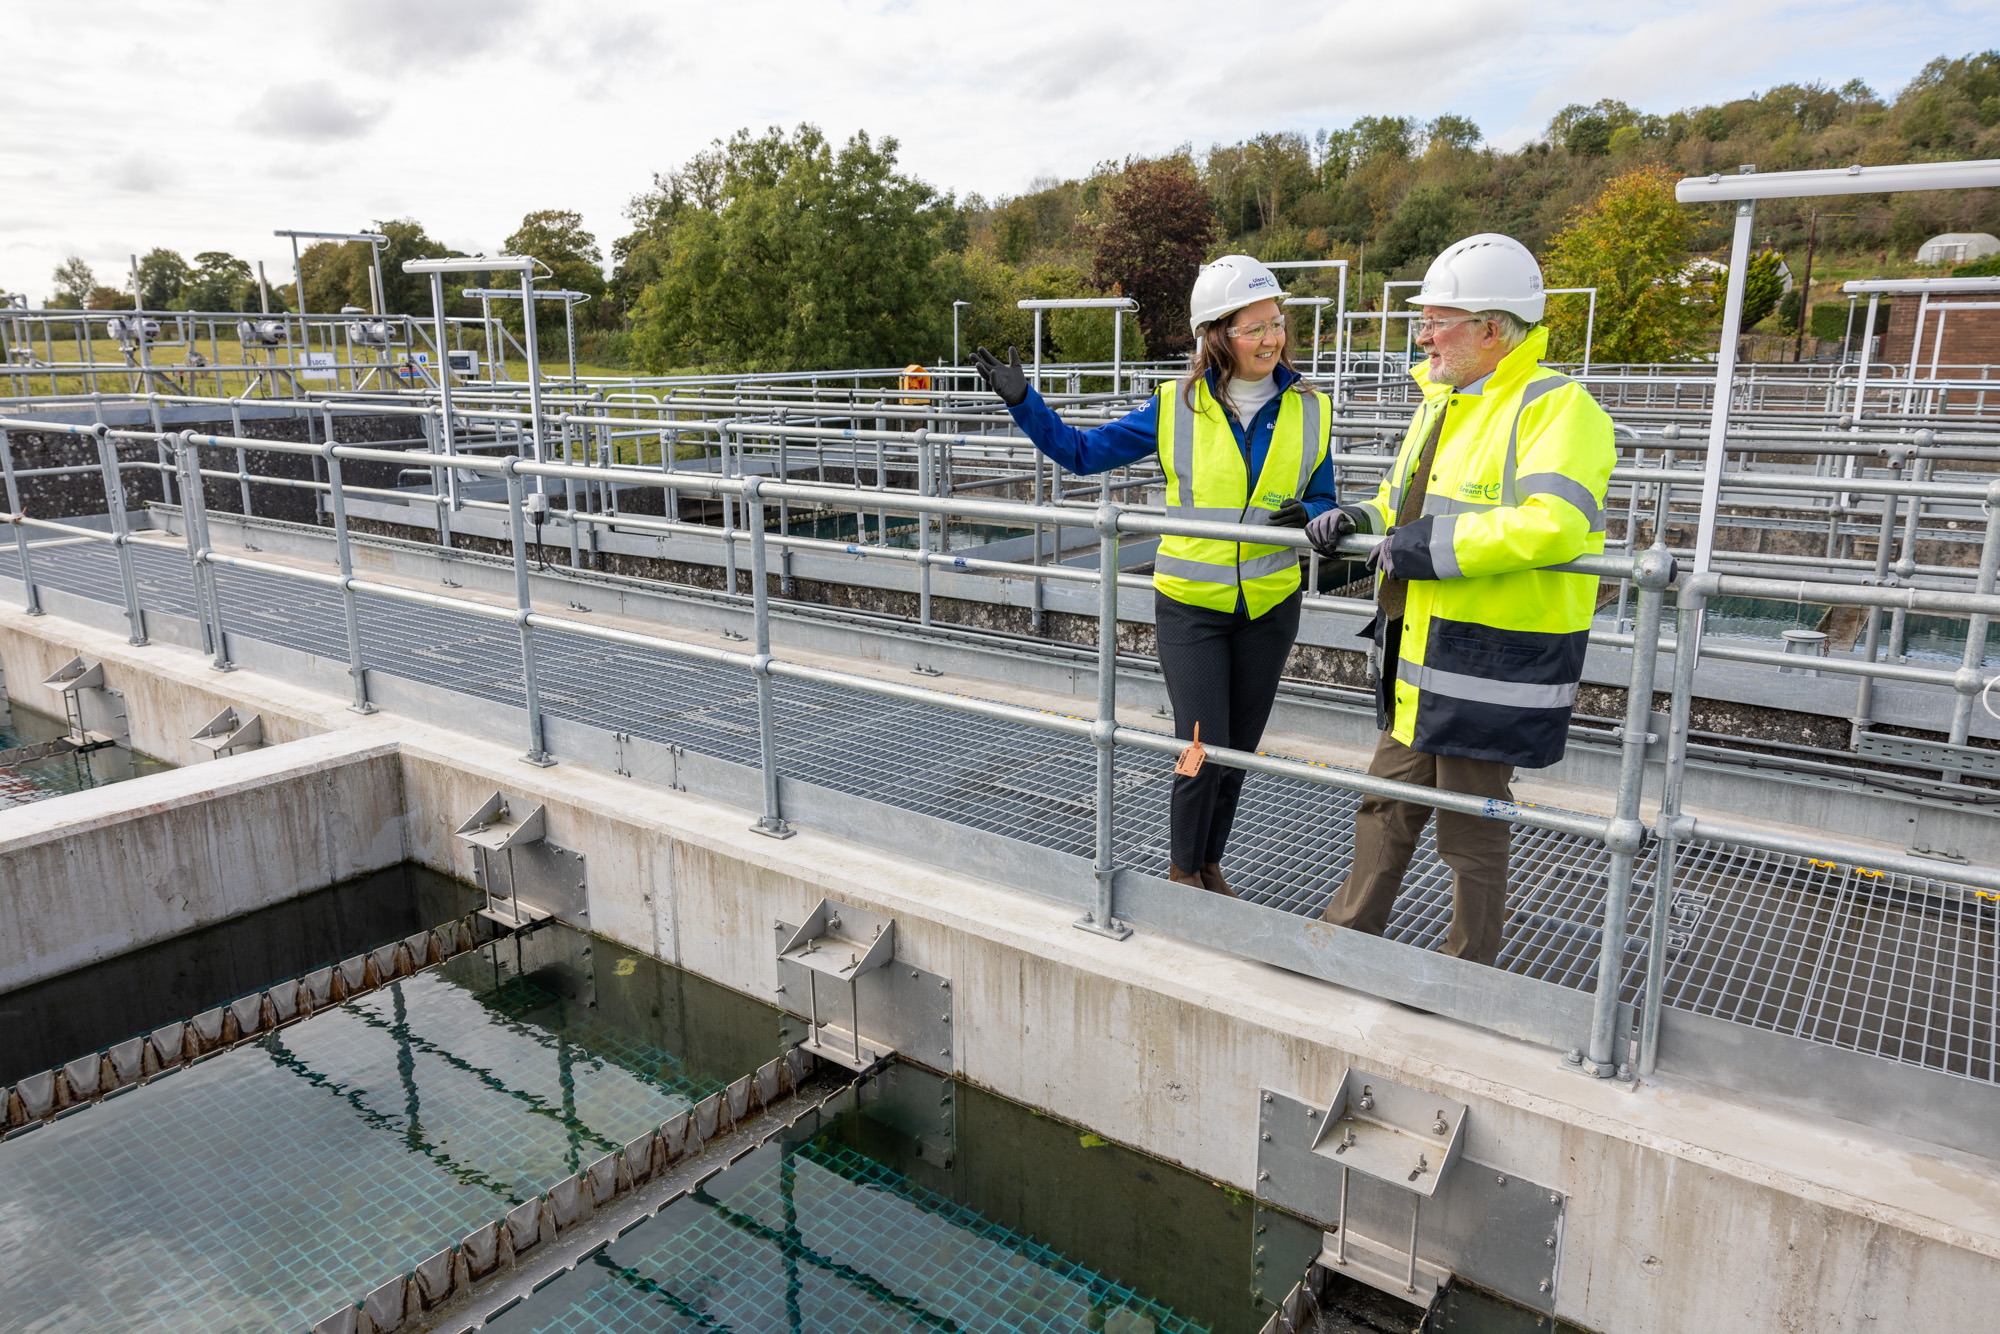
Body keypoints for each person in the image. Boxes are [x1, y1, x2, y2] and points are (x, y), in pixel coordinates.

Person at [971, 256, 1336, 896]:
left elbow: (1327, 499)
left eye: (1276, 324)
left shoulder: (1311, 409)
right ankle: (1181, 870)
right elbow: (1083, 454)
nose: (1271, 339)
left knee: (1238, 752)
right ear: (1218, 336)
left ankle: (1211, 864)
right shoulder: (1175, 407)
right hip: (1192, 609)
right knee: (1201, 747)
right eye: (1255, 329)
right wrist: (1024, 404)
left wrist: (1316, 513)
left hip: (1271, 607)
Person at [1306, 234, 1613, 965]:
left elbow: (1555, 523)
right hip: (1419, 648)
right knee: (1385, 803)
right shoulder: (1442, 403)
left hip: (1487, 656)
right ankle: (1345, 940)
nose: (1424, 334)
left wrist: (1428, 546)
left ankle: (1469, 964)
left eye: (1438, 319)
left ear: (1490, 328)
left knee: (1469, 826)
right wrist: (1357, 520)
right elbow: (1401, 504)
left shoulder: (1557, 408)